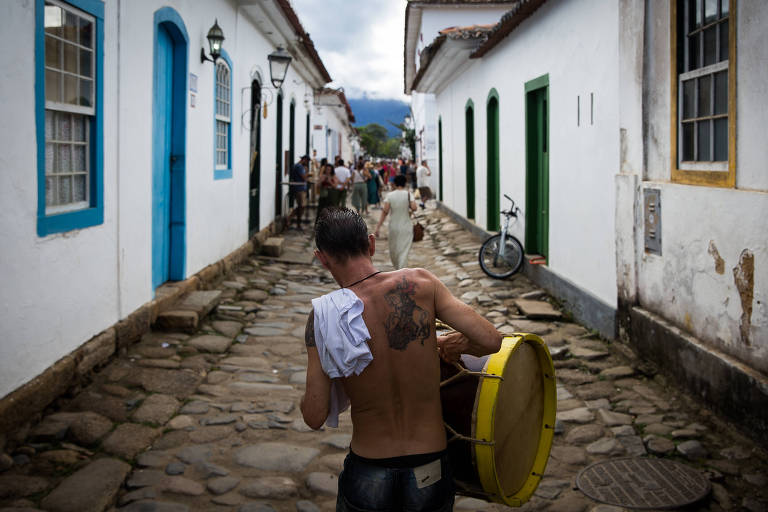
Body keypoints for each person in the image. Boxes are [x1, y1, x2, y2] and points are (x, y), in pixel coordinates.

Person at [301, 207, 502, 512]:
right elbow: (491, 340)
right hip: (430, 466)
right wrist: (454, 343)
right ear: (371, 244)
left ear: (322, 258)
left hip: (369, 470)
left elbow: (315, 415)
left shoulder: (324, 317)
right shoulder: (421, 283)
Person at [374, 175, 416, 270]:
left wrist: (378, 227)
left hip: (394, 227)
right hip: (406, 226)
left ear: (395, 184)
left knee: (394, 249)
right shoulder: (408, 194)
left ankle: (399, 268)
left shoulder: (390, 195)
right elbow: (414, 208)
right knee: (404, 249)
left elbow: (385, 212)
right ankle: (402, 269)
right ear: (405, 183)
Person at [289, 154, 309, 230]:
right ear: (304, 160)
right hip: (300, 189)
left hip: (299, 188)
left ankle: (296, 222)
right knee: (302, 206)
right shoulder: (299, 167)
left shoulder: (296, 166)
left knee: (301, 206)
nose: (307, 163)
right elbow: (304, 178)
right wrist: (307, 173)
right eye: (307, 161)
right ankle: (293, 220)